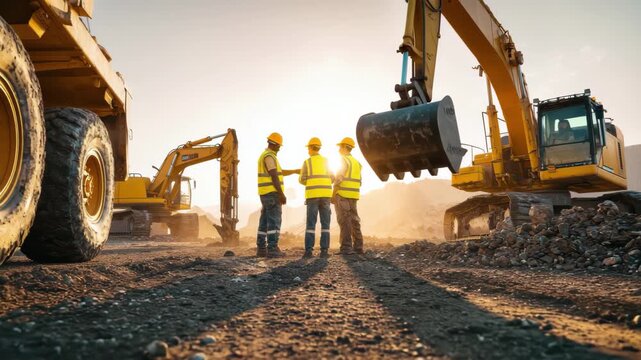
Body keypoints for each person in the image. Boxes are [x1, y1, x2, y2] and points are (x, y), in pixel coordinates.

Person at [256, 132, 299, 258]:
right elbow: (274, 175)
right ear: (274, 144)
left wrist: (295, 171)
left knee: (264, 221)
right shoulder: (269, 156)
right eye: (279, 146)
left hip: (265, 194)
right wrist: (281, 194)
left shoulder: (266, 156)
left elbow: (279, 172)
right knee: (274, 221)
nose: (280, 148)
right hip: (272, 194)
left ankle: (261, 249)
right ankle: (273, 248)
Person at [299, 137, 334, 259]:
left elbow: (301, 179)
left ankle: (308, 251)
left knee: (311, 224)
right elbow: (333, 178)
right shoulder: (326, 161)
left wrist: (311, 182)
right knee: (325, 224)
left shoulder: (307, 162)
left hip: (312, 196)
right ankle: (324, 251)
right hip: (325, 196)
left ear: (310, 148)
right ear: (318, 148)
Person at [333, 137, 364, 255]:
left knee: (344, 221)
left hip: (343, 195)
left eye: (340, 146)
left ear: (346, 147)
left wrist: (333, 194)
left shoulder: (343, 160)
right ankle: (358, 247)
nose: (339, 149)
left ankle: (346, 248)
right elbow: (359, 181)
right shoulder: (357, 163)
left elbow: (339, 178)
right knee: (355, 220)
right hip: (354, 195)